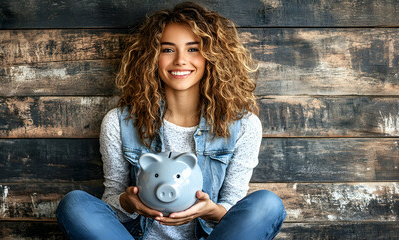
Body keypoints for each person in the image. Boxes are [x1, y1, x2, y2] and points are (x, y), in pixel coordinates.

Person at [56, 2, 286, 239]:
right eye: (167, 50)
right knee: (75, 204)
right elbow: (112, 206)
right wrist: (128, 201)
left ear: (213, 56)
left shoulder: (243, 125)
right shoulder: (119, 123)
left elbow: (233, 209)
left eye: (193, 49)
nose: (180, 60)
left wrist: (210, 211)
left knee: (268, 204)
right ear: (151, 58)